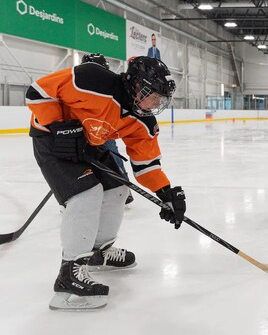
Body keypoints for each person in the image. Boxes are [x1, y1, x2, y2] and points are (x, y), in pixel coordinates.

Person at [26, 56, 186, 310]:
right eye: (153, 96)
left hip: (90, 143)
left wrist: (165, 192)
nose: (156, 104)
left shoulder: (143, 120)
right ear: (135, 85)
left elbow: (146, 164)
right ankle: (69, 275)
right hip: (52, 139)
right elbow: (37, 92)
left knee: (117, 188)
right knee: (86, 195)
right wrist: (59, 125)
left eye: (160, 99)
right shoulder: (93, 79)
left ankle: (98, 252)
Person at [81, 53, 134, 205]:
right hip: (90, 130)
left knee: (111, 154)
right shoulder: (81, 82)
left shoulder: (106, 85)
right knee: (107, 154)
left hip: (102, 129)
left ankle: (123, 186)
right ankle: (75, 194)